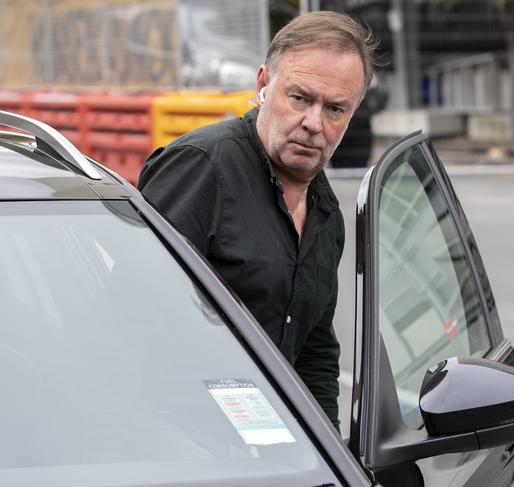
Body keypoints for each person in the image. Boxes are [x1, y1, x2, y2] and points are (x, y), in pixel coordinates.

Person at [138, 11, 376, 432]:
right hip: (181, 435)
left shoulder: (325, 211)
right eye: (300, 98)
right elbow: (134, 318)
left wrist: (331, 455)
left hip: (265, 440)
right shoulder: (202, 168)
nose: (314, 124)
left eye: (335, 108)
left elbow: (315, 353)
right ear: (264, 85)